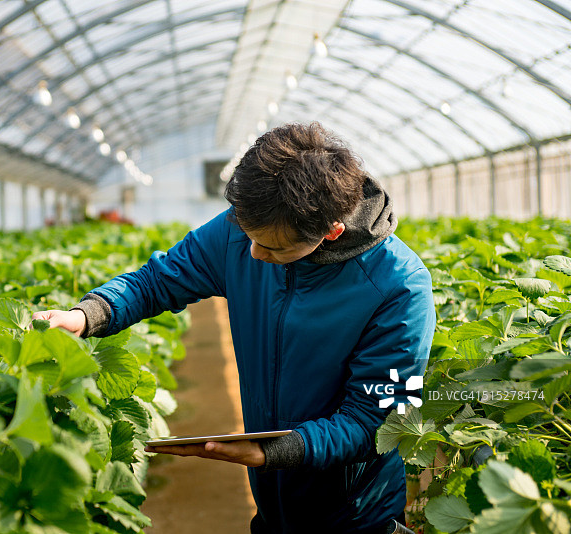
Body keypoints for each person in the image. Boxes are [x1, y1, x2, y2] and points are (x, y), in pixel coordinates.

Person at [33, 122, 434, 534]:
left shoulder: (397, 286)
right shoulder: (243, 228)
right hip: (271, 505)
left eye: (273, 247)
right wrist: (86, 315)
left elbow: (376, 420)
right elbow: (159, 280)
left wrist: (278, 450)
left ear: (330, 232)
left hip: (354, 516)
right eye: (248, 237)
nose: (253, 254)